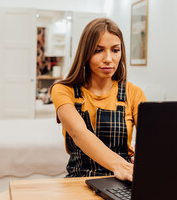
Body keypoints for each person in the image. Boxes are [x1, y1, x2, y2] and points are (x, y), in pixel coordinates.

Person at [51, 18, 146, 182]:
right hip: (78, 181)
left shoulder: (134, 93)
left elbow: (150, 136)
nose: (108, 58)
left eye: (115, 50)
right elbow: (78, 133)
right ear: (85, 53)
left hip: (122, 181)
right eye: (98, 50)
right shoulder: (63, 90)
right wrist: (119, 165)